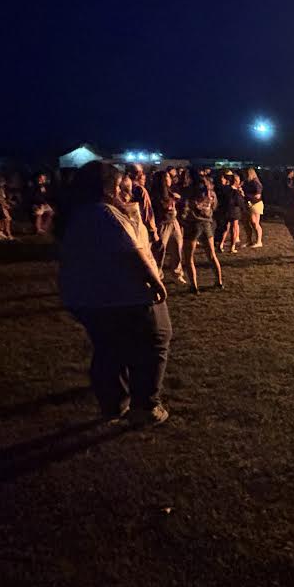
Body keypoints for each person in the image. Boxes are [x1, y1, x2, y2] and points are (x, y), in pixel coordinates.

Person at [56, 160, 171, 425]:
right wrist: (156, 283)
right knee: (155, 341)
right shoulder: (104, 214)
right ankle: (145, 406)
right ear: (108, 187)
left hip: (91, 298)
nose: (128, 194)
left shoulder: (81, 213)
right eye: (123, 187)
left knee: (110, 349)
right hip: (125, 295)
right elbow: (133, 252)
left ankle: (114, 405)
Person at [181, 174, 224, 293]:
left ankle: (194, 286)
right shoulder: (212, 194)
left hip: (193, 225)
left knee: (189, 258)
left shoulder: (191, 193)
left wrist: (184, 220)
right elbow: (214, 207)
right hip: (207, 225)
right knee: (211, 255)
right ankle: (219, 281)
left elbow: (184, 208)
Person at [152, 171, 185, 284]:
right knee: (160, 250)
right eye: (167, 177)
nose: (170, 179)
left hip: (173, 222)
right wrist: (173, 200)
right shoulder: (157, 194)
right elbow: (163, 207)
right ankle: (157, 274)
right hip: (163, 223)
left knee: (177, 246)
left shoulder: (170, 191)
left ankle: (177, 273)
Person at [218, 172, 245, 254]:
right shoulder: (235, 192)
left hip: (226, 210)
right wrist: (242, 195)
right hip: (234, 211)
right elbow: (240, 203)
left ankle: (221, 244)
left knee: (226, 228)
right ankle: (232, 247)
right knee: (234, 229)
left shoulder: (225, 189)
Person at [243, 167, 264, 248]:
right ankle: (249, 241)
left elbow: (257, 195)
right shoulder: (247, 182)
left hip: (255, 203)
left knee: (255, 222)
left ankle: (259, 241)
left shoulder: (256, 182)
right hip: (248, 203)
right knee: (247, 223)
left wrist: (245, 195)